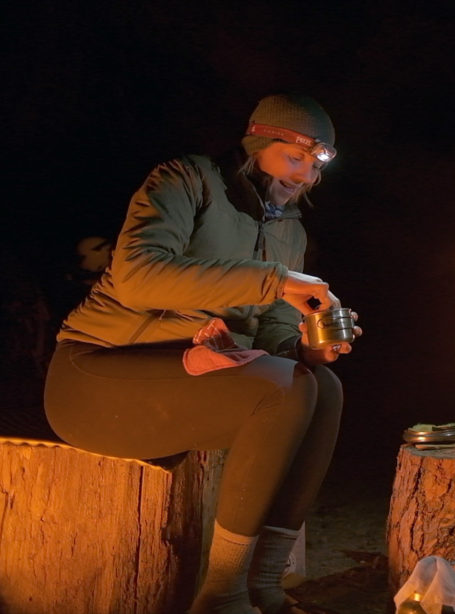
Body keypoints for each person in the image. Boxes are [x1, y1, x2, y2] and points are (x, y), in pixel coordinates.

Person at [44, 93, 359, 614]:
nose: (303, 176)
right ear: (259, 143)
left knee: (322, 387)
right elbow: (139, 276)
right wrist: (276, 281)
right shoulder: (187, 180)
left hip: (191, 375)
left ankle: (265, 585)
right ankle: (223, 593)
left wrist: (312, 344)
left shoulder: (290, 231)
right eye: (295, 157)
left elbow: (277, 342)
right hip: (98, 372)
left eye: (316, 164)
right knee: (284, 388)